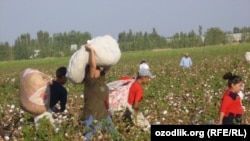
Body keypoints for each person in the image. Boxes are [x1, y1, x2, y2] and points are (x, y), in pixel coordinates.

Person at [83, 44, 119, 141]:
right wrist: (91, 50)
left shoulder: (100, 79)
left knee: (115, 137)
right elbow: (92, 65)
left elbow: (108, 67)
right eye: (97, 69)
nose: (99, 70)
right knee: (89, 138)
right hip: (91, 116)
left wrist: (111, 52)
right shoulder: (90, 81)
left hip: (104, 116)